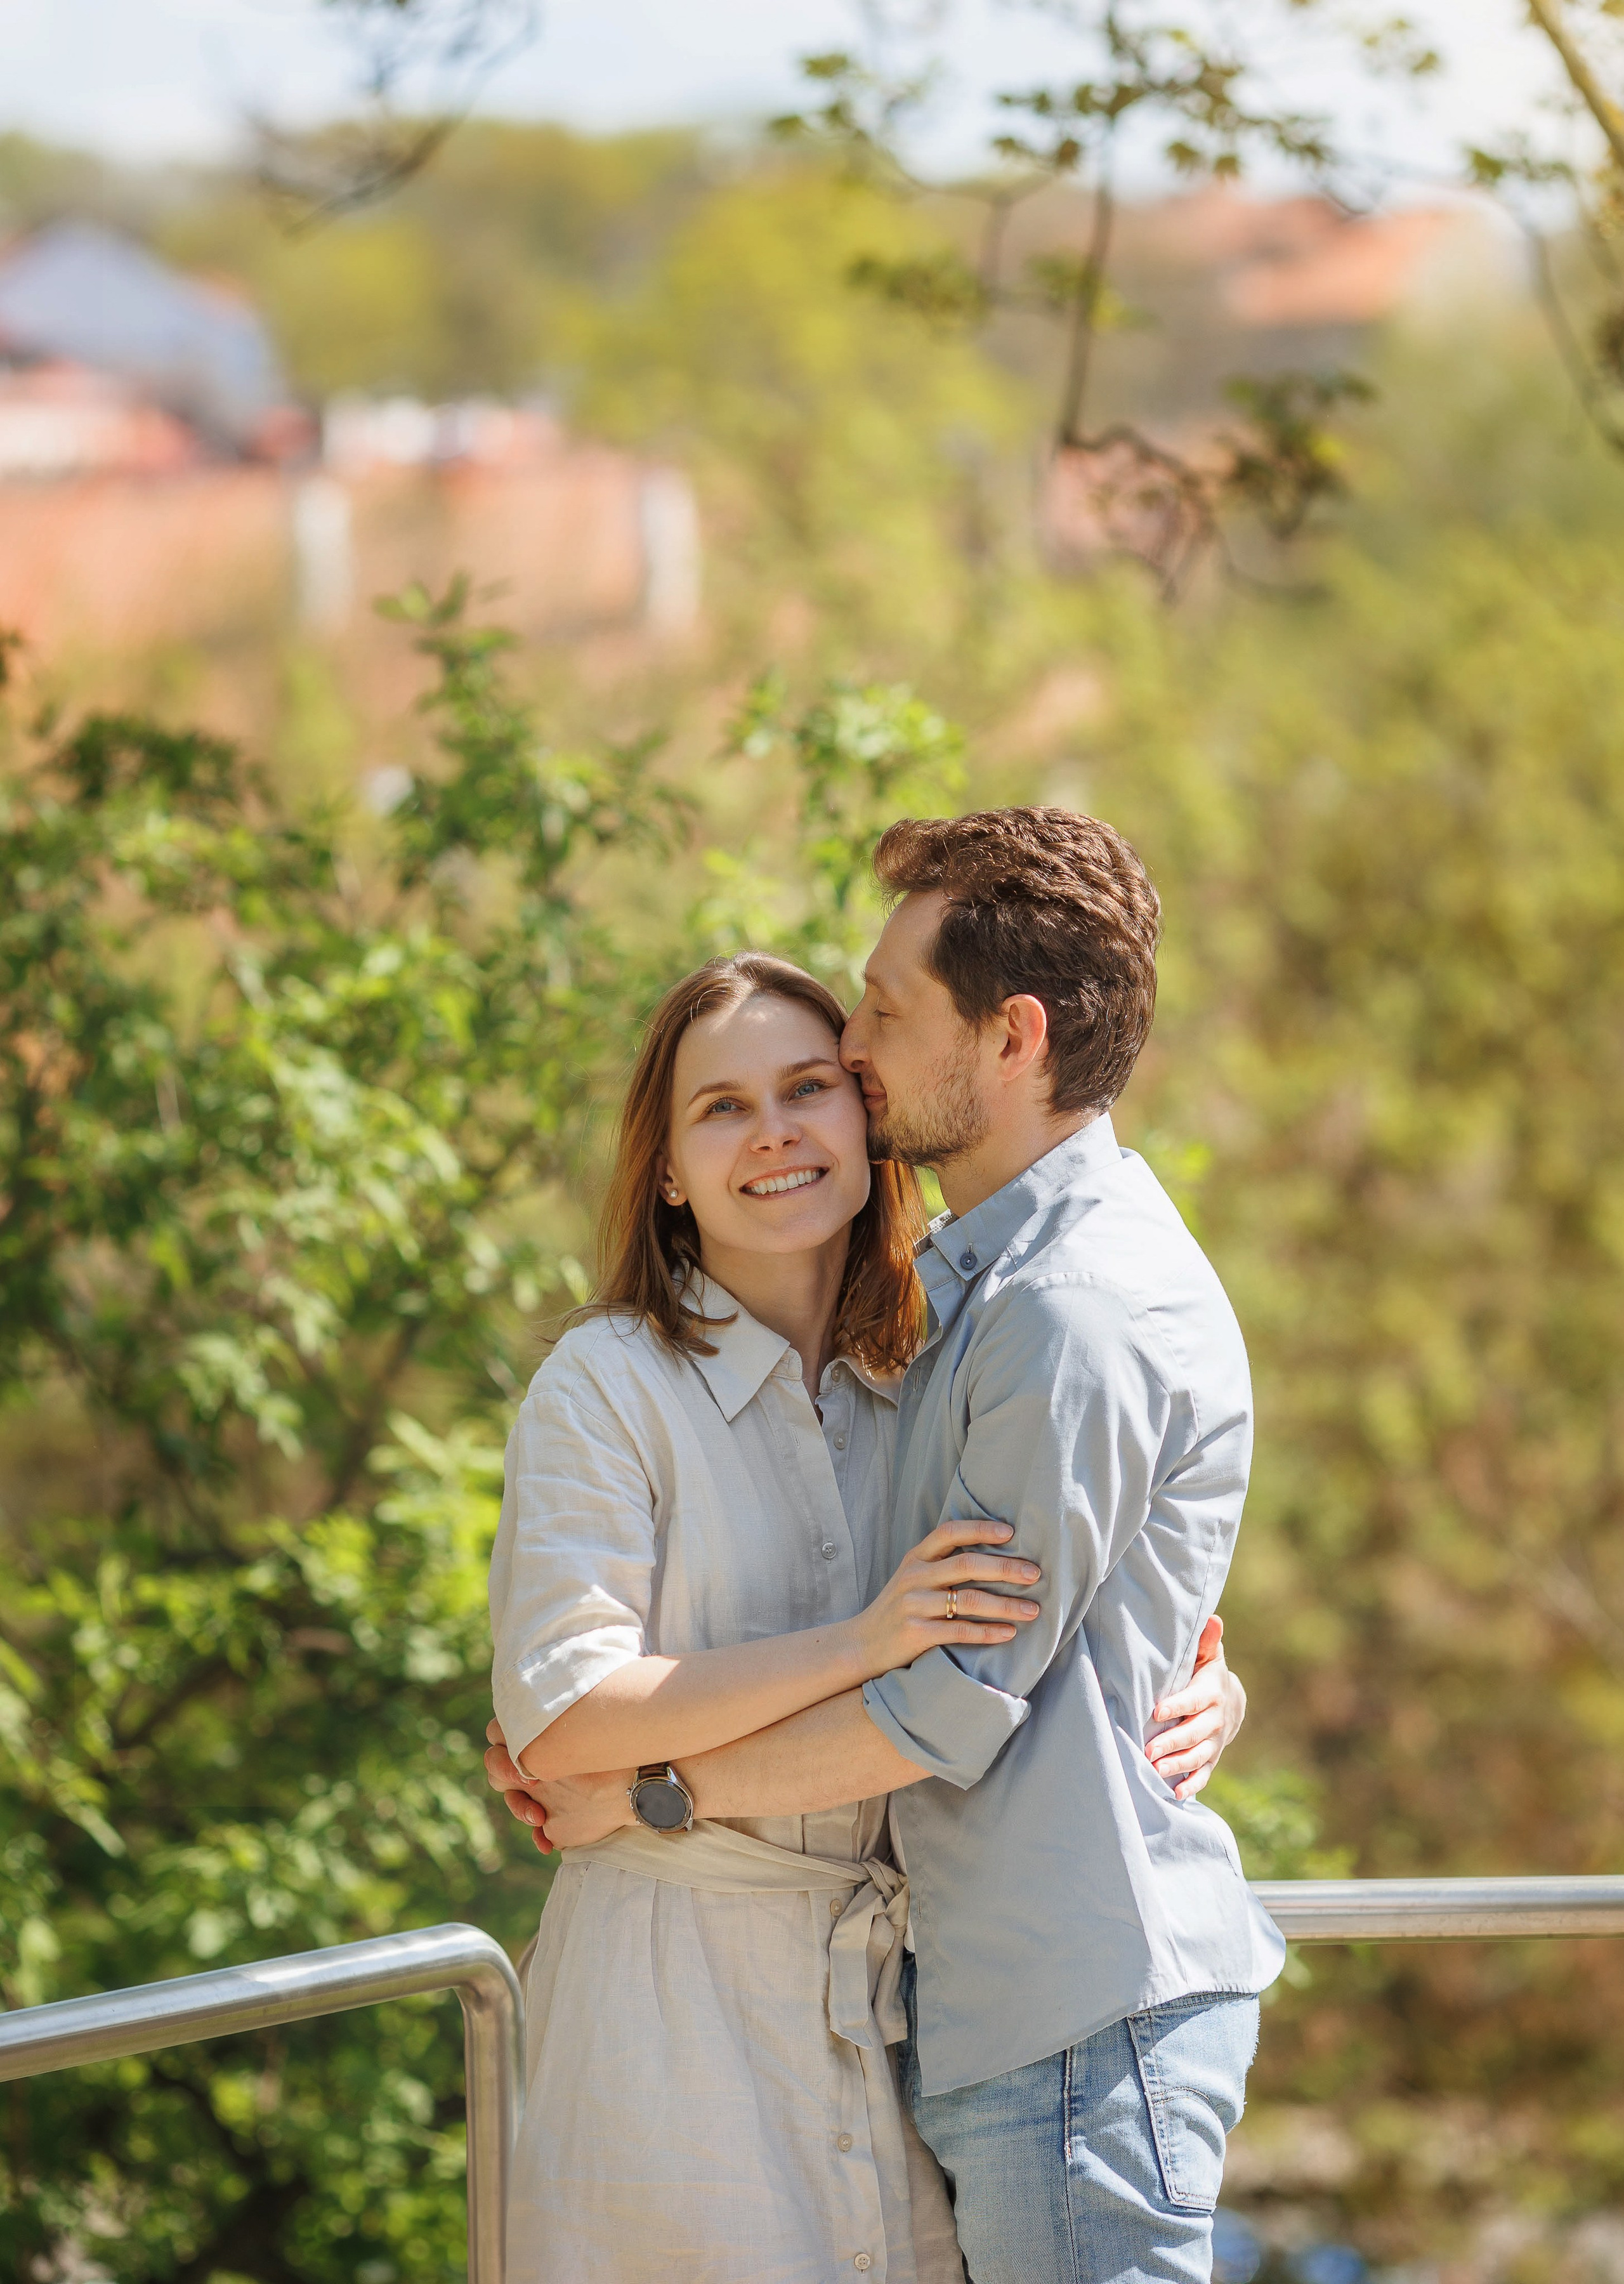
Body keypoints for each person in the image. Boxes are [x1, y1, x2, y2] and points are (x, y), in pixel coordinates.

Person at [486, 933, 1250, 2284]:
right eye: (721, 1108)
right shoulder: (605, 1386)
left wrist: (1196, 1686)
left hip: (905, 2018)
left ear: (866, 1115)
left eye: (807, 1088)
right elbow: (561, 1718)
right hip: (670, 2001)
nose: (773, 1134)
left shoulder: (932, 1362)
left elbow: (1046, 1615)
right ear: (667, 1170)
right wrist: (857, 1641)